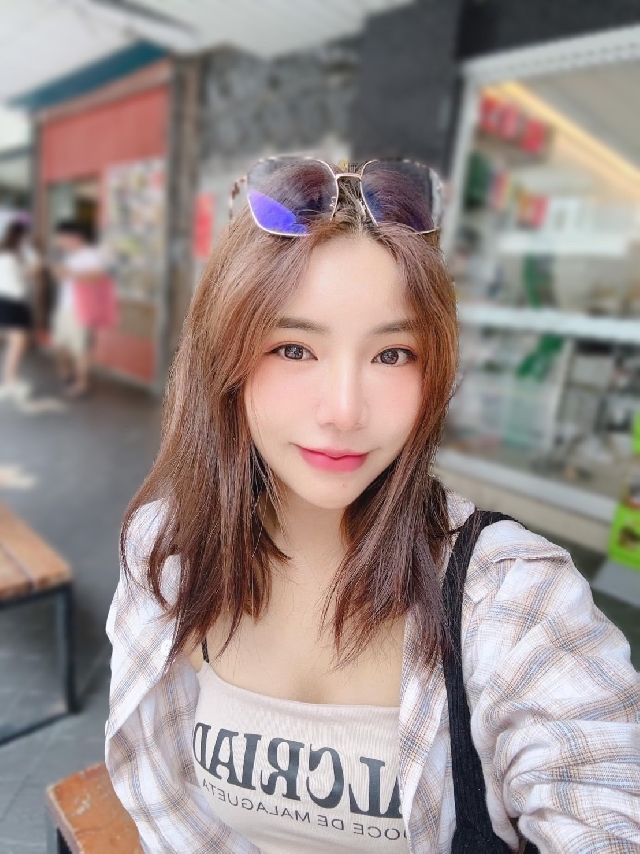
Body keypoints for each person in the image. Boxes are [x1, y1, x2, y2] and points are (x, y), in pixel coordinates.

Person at [106, 157, 640, 853]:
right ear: (224, 359)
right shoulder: (169, 557)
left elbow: (600, 791)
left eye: (392, 355)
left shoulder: (511, 595)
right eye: (293, 348)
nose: (344, 411)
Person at [52, 219, 107, 399]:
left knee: (80, 348)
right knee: (60, 345)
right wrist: (60, 274)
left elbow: (96, 277)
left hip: (81, 309)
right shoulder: (70, 256)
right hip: (64, 308)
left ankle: (83, 384)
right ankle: (69, 375)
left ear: (75, 237)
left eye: (62, 238)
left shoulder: (91, 254)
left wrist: (69, 273)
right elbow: (65, 280)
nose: (59, 242)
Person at [0, 219, 38, 401]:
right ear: (20, 236)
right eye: (27, 236)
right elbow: (19, 283)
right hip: (12, 303)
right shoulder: (9, 258)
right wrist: (32, 270)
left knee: (15, 345)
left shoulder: (8, 255)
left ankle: (10, 381)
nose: (28, 240)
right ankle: (10, 382)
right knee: (16, 345)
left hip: (9, 303)